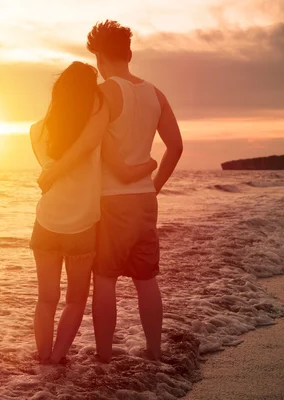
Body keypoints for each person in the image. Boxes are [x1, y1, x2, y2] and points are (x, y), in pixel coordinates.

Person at [38, 21, 183, 363]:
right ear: (129, 53)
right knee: (147, 279)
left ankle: (104, 358)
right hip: (145, 201)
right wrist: (154, 186)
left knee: (105, 280)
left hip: (110, 201)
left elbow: (89, 144)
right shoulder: (156, 93)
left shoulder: (102, 94)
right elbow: (175, 147)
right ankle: (154, 353)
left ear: (99, 56)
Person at [30, 61, 158, 364]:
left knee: (46, 299)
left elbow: (51, 169)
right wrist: (151, 164)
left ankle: (43, 359)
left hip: (46, 222)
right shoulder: (95, 132)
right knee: (75, 301)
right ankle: (58, 360)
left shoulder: (36, 131)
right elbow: (95, 134)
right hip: (82, 227)